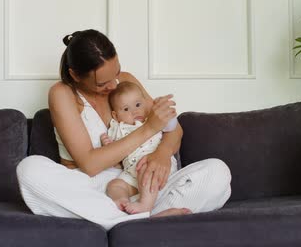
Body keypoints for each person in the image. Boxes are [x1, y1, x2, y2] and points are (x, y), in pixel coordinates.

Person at [16, 29, 232, 231]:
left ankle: (132, 216)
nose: (113, 86)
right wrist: (148, 128)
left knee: (217, 172)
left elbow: (173, 129)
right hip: (91, 188)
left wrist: (162, 155)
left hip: (142, 182)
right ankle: (144, 221)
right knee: (29, 169)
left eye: (116, 73)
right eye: (102, 84)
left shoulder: (126, 81)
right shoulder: (62, 93)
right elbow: (90, 164)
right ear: (75, 75)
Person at [102, 81, 179, 214]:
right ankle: (123, 201)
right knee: (114, 185)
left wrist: (164, 110)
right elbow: (114, 159)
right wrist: (107, 144)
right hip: (131, 173)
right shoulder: (117, 128)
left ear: (145, 103)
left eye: (138, 105)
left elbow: (172, 128)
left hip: (155, 165)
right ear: (115, 115)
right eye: (126, 109)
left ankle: (145, 206)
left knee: (146, 169)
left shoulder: (151, 120)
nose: (134, 111)